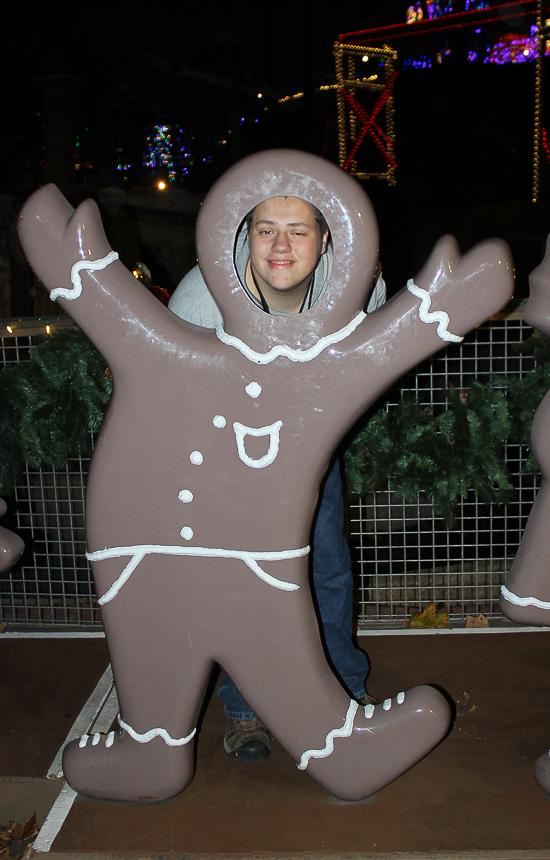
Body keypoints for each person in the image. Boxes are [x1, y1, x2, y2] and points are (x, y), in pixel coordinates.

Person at [169, 194, 385, 763]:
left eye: (298, 230)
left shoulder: (356, 283)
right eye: (266, 230)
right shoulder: (204, 293)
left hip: (310, 442)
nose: (282, 246)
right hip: (227, 447)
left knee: (327, 568)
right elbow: (180, 390)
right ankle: (246, 710)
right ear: (247, 236)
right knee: (245, 581)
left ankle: (344, 693)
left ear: (326, 239)